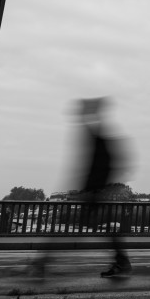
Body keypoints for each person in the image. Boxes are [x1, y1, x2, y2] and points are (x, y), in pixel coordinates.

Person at [28, 97, 132, 278]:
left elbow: (94, 165)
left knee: (69, 229)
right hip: (95, 192)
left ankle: (41, 263)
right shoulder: (100, 137)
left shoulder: (96, 138)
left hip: (93, 192)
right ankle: (122, 261)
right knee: (97, 231)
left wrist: (90, 186)